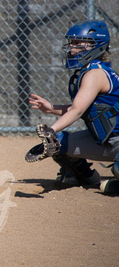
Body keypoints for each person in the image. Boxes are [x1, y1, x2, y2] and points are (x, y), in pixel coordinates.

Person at [28, 20, 119, 194]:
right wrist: (51, 108)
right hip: (105, 141)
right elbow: (82, 108)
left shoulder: (96, 73)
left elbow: (77, 111)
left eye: (78, 44)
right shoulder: (89, 71)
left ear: (96, 46)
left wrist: (51, 130)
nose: (72, 49)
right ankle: (82, 177)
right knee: (58, 144)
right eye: (72, 43)